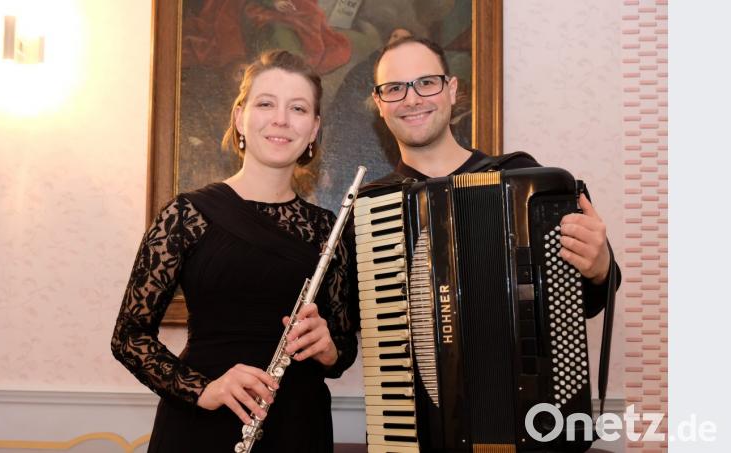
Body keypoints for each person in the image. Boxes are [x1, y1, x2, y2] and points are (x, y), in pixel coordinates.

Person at [111, 50, 358, 453]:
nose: (280, 119)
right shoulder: (185, 214)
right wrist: (203, 389)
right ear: (240, 116)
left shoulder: (327, 227)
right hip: (200, 425)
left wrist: (329, 347)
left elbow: (344, 350)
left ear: (313, 129)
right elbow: (129, 337)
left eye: (297, 108)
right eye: (266, 103)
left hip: (298, 427)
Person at [367, 36, 619, 315]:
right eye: (394, 88)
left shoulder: (522, 177)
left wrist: (600, 269)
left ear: (451, 90)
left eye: (426, 83)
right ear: (379, 103)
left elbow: (587, 302)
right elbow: (347, 325)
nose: (412, 99)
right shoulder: (371, 209)